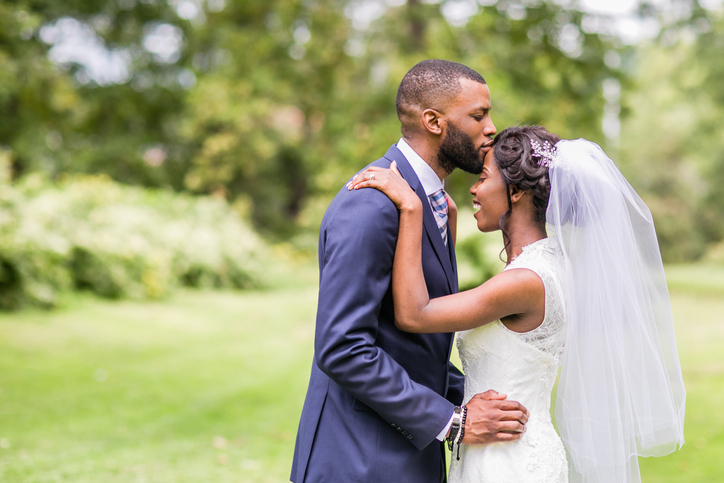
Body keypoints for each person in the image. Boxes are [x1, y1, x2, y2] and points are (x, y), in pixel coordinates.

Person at [348, 125, 686, 482]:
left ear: (516, 191)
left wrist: (412, 208)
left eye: (482, 177)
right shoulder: (550, 264)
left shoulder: (525, 281)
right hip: (502, 449)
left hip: (507, 462)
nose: (474, 189)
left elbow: (416, 314)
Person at [290, 60, 530, 483]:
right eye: (478, 115)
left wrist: (477, 398)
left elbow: (416, 349)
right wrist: (452, 421)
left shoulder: (431, 204)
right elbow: (342, 348)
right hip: (359, 459)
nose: (491, 127)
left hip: (404, 455)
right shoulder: (371, 204)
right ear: (433, 121)